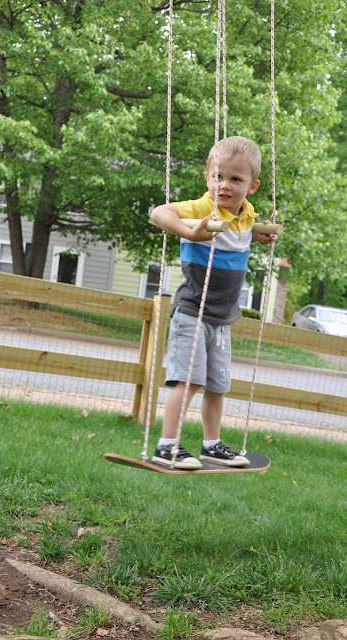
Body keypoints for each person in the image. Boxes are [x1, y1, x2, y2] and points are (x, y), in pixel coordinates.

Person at [150, 136, 275, 470]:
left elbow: (241, 233)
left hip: (222, 318)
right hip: (192, 311)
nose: (224, 185)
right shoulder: (203, 209)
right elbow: (159, 213)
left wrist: (258, 235)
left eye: (235, 179)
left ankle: (211, 444)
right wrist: (189, 232)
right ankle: (167, 445)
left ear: (252, 186)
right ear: (207, 177)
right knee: (188, 380)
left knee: (217, 385)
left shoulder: (246, 216)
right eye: (218, 176)